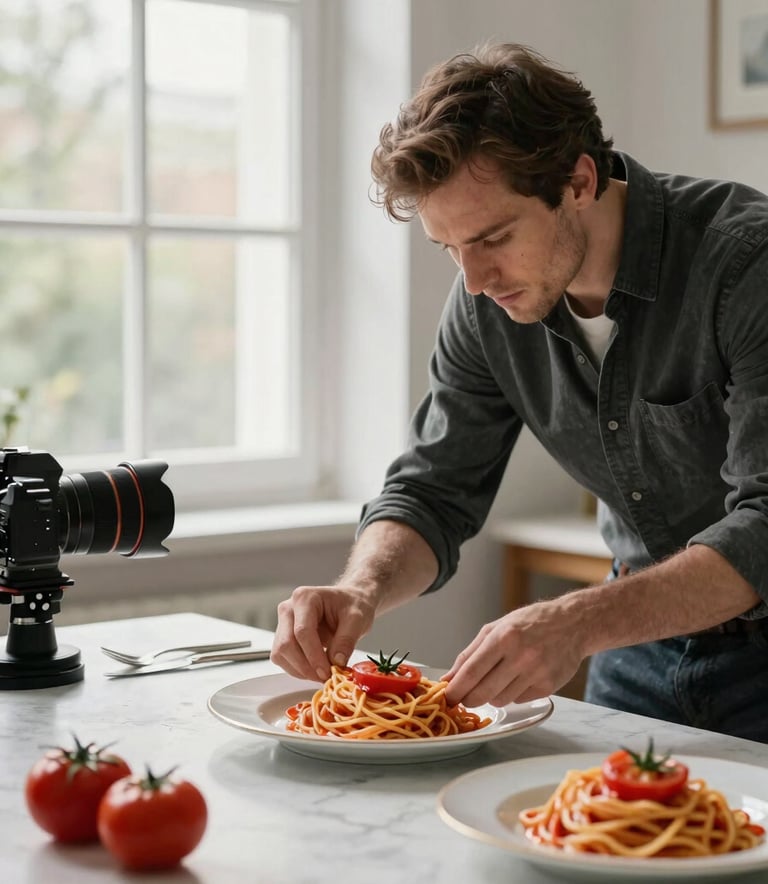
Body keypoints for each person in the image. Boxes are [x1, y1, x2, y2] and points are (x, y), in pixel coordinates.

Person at [271, 42, 768, 742]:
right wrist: (361, 589)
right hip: (636, 652)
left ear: (579, 181)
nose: (473, 281)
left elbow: (765, 526)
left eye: (494, 237)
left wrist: (574, 621)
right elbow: (432, 492)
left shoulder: (746, 264)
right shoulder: (485, 304)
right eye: (450, 248)